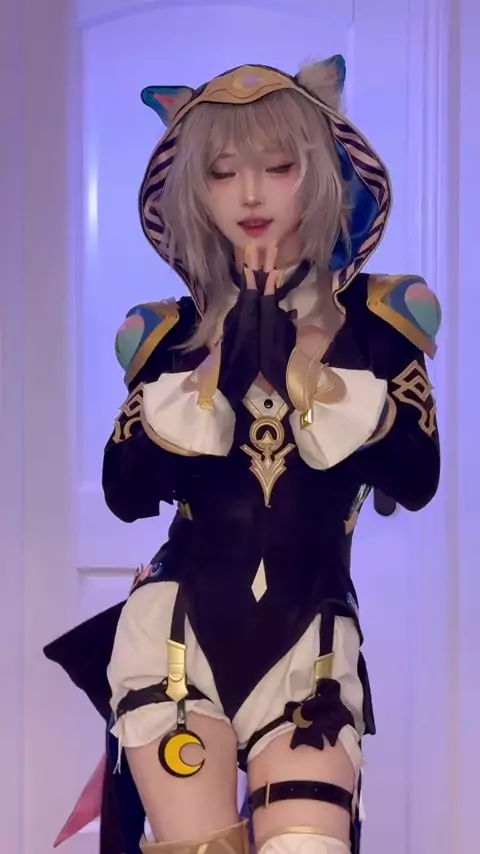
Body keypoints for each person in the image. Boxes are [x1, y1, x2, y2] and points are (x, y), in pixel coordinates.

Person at [45, 55, 441, 854]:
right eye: (222, 173)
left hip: (311, 649)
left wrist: (306, 364)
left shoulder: (383, 320)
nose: (250, 195)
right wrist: (218, 374)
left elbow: (415, 474)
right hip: (176, 640)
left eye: (279, 167)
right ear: (194, 189)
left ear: (321, 173)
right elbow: (126, 490)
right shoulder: (165, 333)